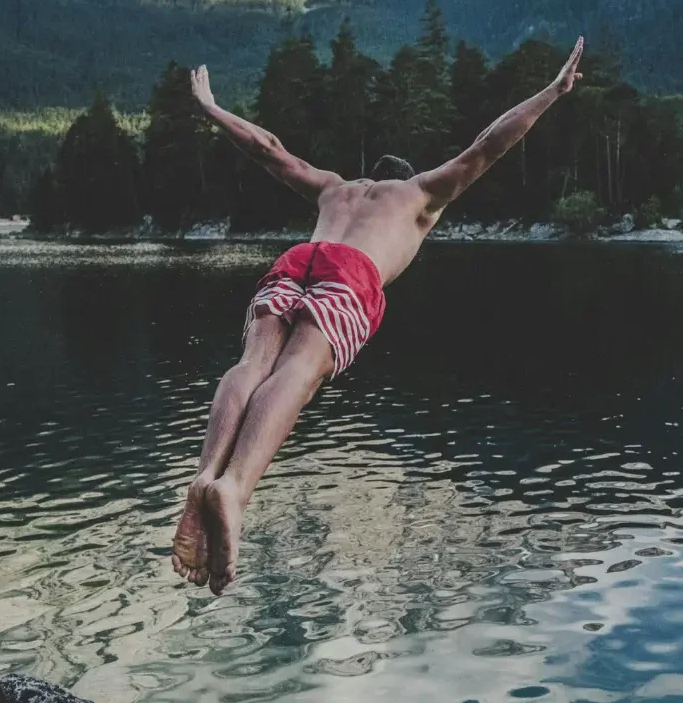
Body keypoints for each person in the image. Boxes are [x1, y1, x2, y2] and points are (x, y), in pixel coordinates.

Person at [172, 37, 585, 595]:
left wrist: (210, 107)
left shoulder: (335, 190)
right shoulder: (418, 195)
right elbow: (487, 147)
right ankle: (235, 489)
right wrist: (553, 92)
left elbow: (269, 148)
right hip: (350, 275)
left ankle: (206, 472)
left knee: (254, 363)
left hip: (298, 260)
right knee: (298, 373)